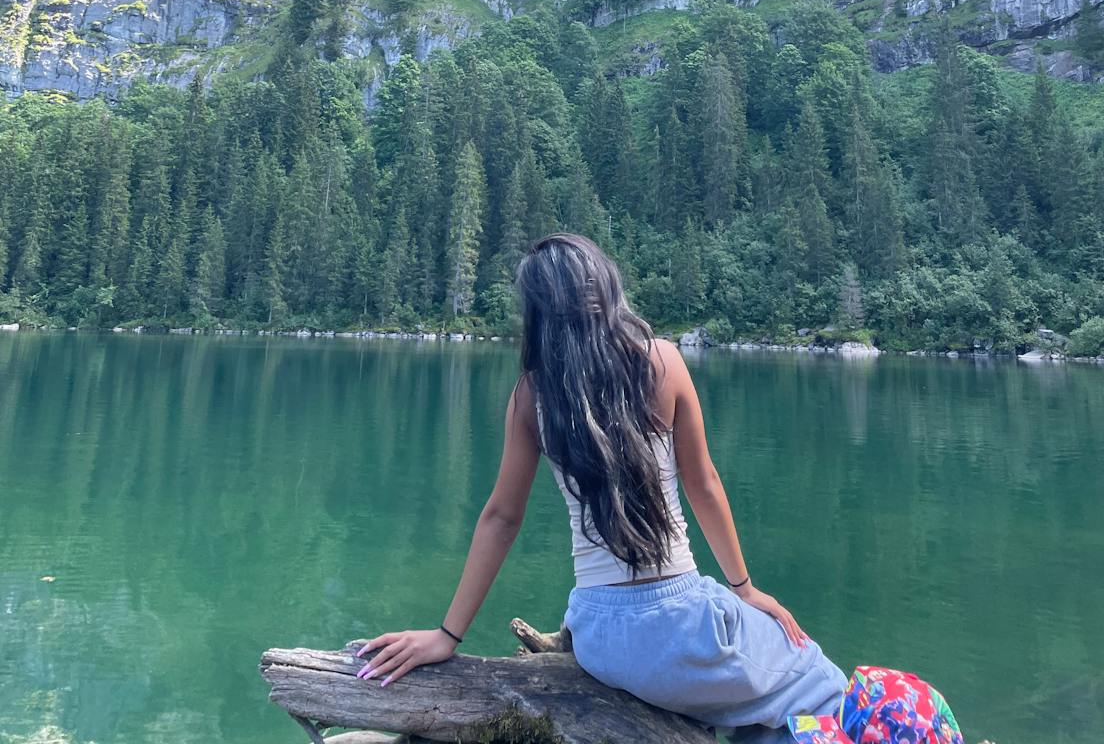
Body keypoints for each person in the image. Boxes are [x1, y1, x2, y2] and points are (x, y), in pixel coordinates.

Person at [355, 234, 960, 744]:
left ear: (538, 313)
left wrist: (447, 635)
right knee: (821, 682)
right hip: (682, 625)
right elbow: (704, 484)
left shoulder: (533, 395)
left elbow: (500, 518)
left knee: (759, 709)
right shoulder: (661, 361)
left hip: (598, 636)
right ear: (605, 288)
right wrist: (744, 590)